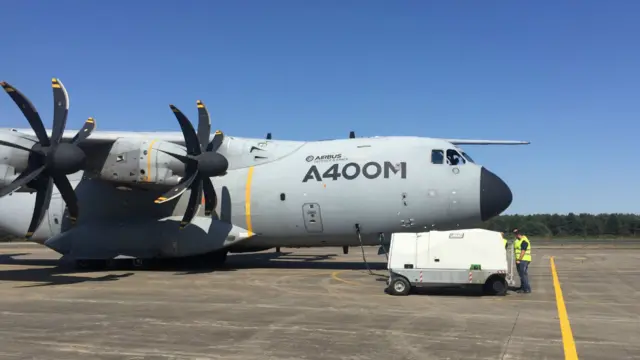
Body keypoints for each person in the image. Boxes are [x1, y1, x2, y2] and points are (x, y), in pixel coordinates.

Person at [513, 228, 532, 293]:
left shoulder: (524, 241)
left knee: (523, 274)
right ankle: (523, 288)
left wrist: (519, 259)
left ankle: (526, 289)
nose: (515, 235)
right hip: (521, 260)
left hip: (523, 260)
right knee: (522, 274)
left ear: (518, 234)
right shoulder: (518, 240)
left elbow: (523, 251)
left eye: (516, 234)